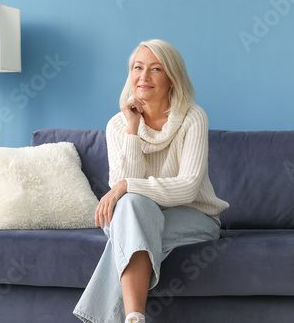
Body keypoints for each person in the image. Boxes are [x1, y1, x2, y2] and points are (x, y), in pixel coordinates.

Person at [73, 39, 229, 323]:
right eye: (137, 67)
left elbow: (187, 187)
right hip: (135, 214)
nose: (143, 76)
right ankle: (135, 318)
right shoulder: (117, 125)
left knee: (129, 232)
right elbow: (125, 190)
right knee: (133, 209)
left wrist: (126, 187)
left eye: (155, 69)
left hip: (194, 216)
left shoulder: (193, 118)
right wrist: (133, 130)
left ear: (171, 78)